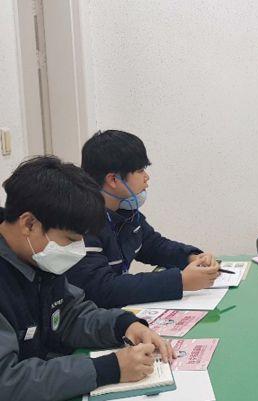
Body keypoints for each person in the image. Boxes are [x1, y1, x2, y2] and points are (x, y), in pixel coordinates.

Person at [0, 156, 175, 401]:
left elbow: (70, 315)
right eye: (70, 240)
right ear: (29, 224)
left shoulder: (36, 256)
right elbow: (6, 381)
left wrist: (124, 326)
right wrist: (107, 369)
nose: (78, 250)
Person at [66, 130, 219, 308]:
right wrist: (180, 281)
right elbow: (103, 288)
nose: (147, 178)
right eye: (140, 171)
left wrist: (191, 257)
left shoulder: (126, 212)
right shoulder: (83, 223)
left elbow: (153, 245)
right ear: (113, 179)